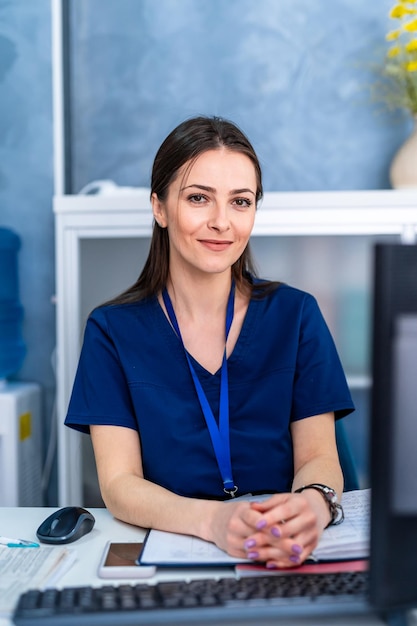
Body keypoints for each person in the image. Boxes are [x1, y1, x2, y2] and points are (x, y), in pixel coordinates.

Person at [65, 115, 355, 569]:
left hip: (280, 550)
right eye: (198, 198)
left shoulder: (296, 315)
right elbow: (120, 484)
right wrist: (214, 521)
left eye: (240, 202)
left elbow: (319, 455)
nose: (222, 222)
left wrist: (314, 505)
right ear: (159, 207)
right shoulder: (111, 330)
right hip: (178, 547)